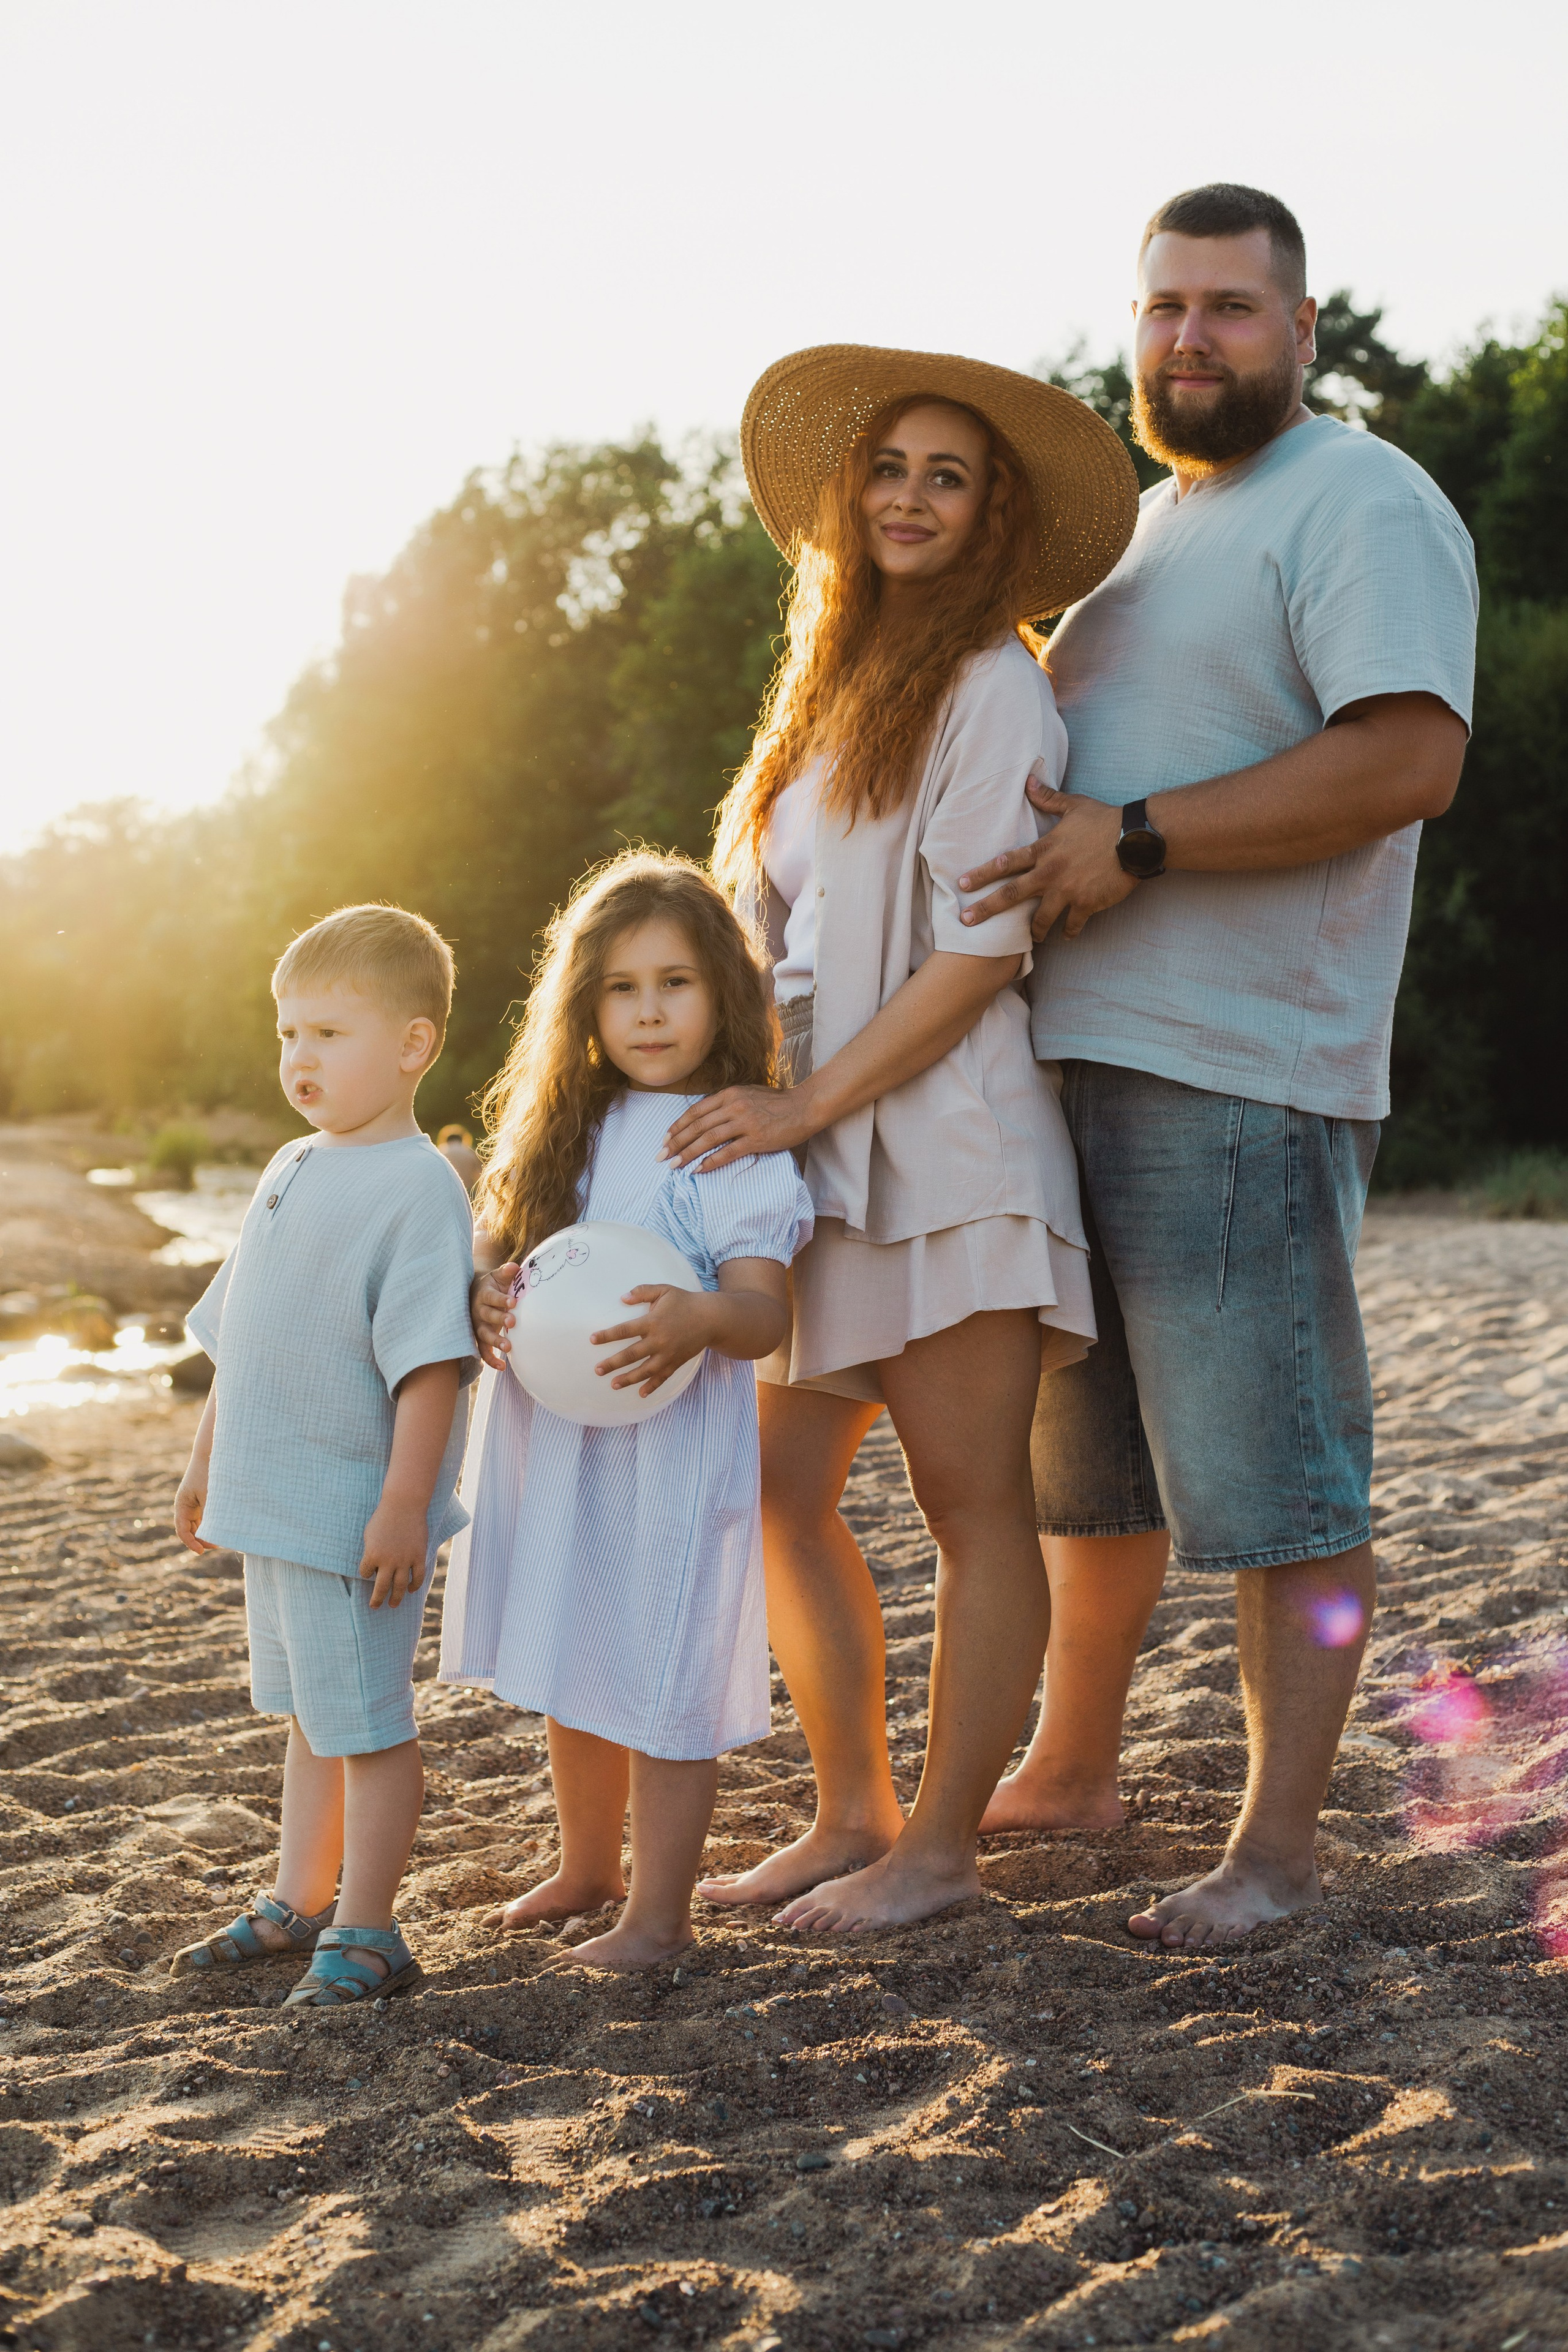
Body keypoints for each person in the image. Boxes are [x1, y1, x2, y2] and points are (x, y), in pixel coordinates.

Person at [956, 184, 1479, 1948]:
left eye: (1231, 309)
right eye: (1166, 307)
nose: (1191, 339)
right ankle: (1078, 1764)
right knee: (1087, 1481)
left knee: (1274, 1489)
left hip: (1237, 1071)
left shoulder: (1361, 500)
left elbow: (1407, 760)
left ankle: (1277, 1852)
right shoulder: (1143, 532)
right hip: (1069, 1062)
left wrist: (1145, 839)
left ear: (1304, 330)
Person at [658, 347, 1138, 1933]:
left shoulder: (998, 685)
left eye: (949, 475)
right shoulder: (825, 697)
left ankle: (940, 1856)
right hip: (812, 1171)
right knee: (778, 1490)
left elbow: (979, 954)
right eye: (890, 470)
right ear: (846, 500)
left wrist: (803, 1102)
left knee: (969, 1503)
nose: (912, 498)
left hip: (947, 1153)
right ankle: (851, 1809)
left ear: (991, 513)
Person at [440, 853, 813, 1971]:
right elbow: (500, 1260)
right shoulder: (564, 1131)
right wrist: (484, 1295)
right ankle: (588, 1863)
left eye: (678, 983)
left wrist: (699, 1319)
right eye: (622, 987)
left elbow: (764, 1314)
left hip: (671, 1446)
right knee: (571, 1643)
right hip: (560, 1442)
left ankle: (659, 1916)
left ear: (725, 998)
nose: (649, 1011)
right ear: (584, 1004)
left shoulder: (726, 1136)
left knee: (662, 1668)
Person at [170, 903, 480, 2005]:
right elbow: (239, 1331)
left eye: (330, 1034)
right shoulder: (290, 1164)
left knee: (369, 1727)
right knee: (311, 1716)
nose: (300, 1058)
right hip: (275, 1500)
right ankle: (303, 1896)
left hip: (356, 1514)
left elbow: (431, 1366)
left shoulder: (417, 1189)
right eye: (288, 1033)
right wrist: (208, 1458)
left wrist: (405, 1506)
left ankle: (370, 1926)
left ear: (411, 1045)